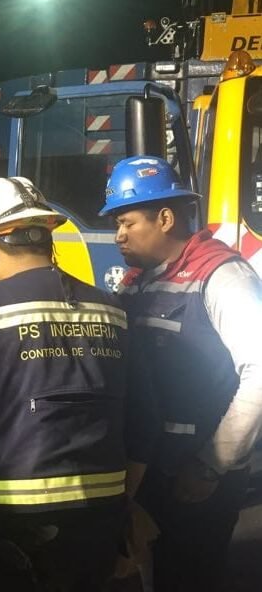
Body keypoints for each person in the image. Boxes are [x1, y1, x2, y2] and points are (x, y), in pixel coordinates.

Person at [0, 177, 155, 592]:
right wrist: (121, 515)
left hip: (13, 533)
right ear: (48, 238)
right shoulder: (114, 309)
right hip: (100, 527)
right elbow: (144, 426)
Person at [99, 155, 262, 592]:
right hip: (148, 471)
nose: (118, 235)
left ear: (166, 218)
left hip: (196, 476)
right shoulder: (137, 282)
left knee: (190, 577)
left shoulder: (223, 276)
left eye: (127, 222)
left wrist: (211, 465)